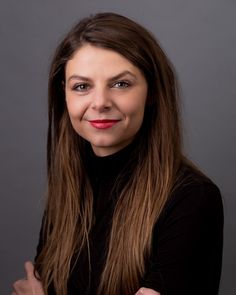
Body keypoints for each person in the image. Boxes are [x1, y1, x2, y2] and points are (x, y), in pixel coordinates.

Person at [12, 12, 223, 295]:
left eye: (121, 84)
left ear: (153, 92)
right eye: (82, 86)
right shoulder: (70, 189)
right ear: (65, 95)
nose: (100, 103)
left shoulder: (192, 198)